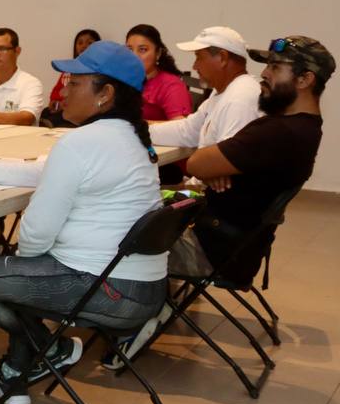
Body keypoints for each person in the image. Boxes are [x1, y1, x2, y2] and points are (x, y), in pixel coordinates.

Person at [0, 41, 166, 404]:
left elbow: (37, 232)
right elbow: (48, 169)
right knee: (23, 277)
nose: (64, 90)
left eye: (75, 83)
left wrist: (24, 265)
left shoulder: (82, 142)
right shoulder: (133, 138)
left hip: (107, 292)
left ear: (106, 94)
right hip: (145, 290)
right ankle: (15, 373)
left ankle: (51, 349)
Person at [172, 36, 330, 287]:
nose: (264, 74)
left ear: (305, 79)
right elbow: (203, 165)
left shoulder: (277, 133)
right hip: (231, 249)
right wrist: (211, 169)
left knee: (115, 237)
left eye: (275, 67)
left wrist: (210, 168)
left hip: (208, 252)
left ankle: (136, 312)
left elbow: (195, 164)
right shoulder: (305, 128)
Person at [148, 26, 260, 148]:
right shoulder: (225, 91)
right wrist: (138, 130)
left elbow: (228, 162)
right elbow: (188, 131)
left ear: (222, 58)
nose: (194, 66)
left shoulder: (239, 99)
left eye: (198, 57)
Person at [126, 24, 192, 121]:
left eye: (142, 49)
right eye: (129, 50)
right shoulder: (124, 78)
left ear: (158, 53)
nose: (134, 56)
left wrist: (142, 126)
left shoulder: (171, 86)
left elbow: (180, 128)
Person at [44, 28, 100, 126]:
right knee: (45, 112)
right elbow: (58, 89)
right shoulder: (68, 70)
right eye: (80, 43)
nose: (84, 46)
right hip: (64, 106)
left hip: (82, 109)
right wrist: (55, 101)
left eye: (89, 43)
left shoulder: (98, 71)